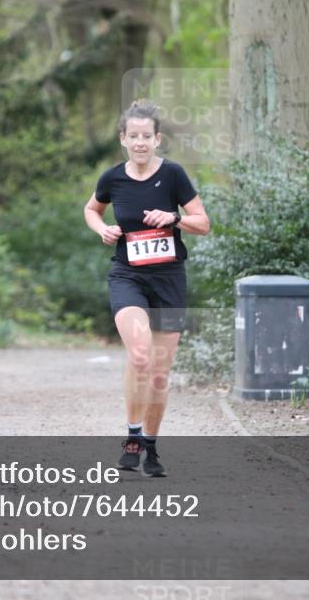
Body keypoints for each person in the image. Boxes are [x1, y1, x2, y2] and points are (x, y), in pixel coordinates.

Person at [83, 99, 209, 477]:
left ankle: (151, 446)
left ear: (158, 140)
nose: (140, 142)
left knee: (158, 371)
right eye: (132, 136)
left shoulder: (173, 175)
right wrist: (101, 228)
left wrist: (174, 218)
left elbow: (202, 222)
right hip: (128, 276)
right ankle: (133, 436)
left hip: (169, 279)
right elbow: (92, 209)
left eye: (146, 136)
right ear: (123, 139)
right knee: (139, 355)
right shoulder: (111, 178)